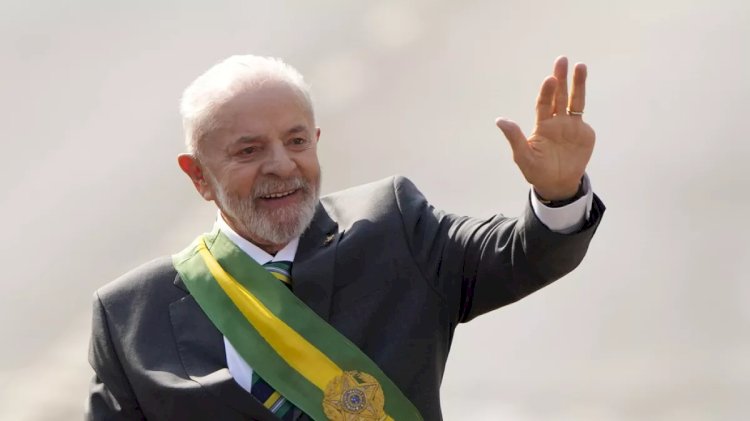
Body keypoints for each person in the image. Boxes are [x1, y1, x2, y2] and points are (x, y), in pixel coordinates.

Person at [86, 54, 605, 421]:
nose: (282, 165)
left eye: (296, 141)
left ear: (315, 141)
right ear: (198, 175)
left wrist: (558, 194)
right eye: (249, 151)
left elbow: (520, 255)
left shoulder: (394, 228)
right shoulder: (129, 316)